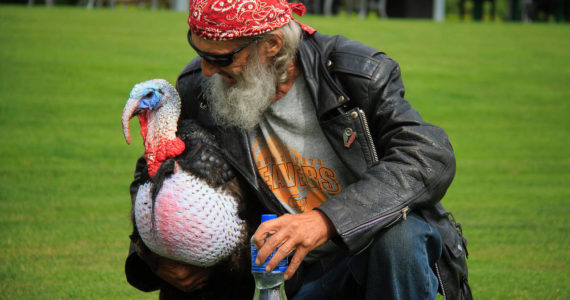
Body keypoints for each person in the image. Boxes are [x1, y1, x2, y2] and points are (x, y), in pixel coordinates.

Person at [125, 0, 471, 299]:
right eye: (199, 53)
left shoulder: (356, 74)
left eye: (221, 58)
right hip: (288, 276)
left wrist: (325, 220)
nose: (206, 69)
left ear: (272, 44)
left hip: (374, 259)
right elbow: (162, 173)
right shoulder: (200, 88)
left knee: (399, 236)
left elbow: (430, 155)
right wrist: (154, 256)